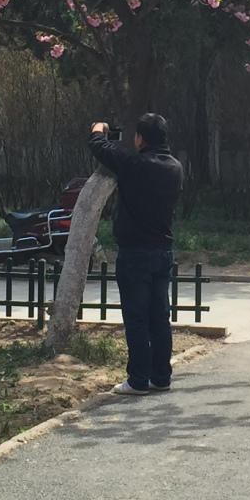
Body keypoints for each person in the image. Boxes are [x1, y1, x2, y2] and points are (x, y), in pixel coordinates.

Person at [89, 113, 184, 396]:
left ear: (141, 139)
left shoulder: (135, 164)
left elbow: (99, 147)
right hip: (162, 251)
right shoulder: (175, 167)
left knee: (137, 318)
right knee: (159, 317)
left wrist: (98, 129)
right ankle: (161, 377)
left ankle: (138, 379)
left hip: (134, 253)